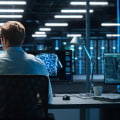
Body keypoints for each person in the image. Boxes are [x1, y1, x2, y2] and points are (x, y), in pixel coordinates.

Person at [0, 21, 53, 104]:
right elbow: (48, 100)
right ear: (22, 40)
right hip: (31, 115)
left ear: (4, 39)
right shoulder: (38, 64)